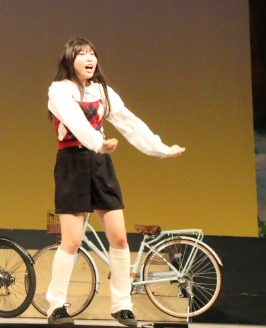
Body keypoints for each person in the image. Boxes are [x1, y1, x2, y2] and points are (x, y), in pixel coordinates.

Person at [45, 38, 185, 327]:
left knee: (119, 238)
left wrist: (160, 149)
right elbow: (75, 121)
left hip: (100, 165)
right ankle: (56, 305)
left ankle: (122, 305)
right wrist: (98, 142)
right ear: (70, 60)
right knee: (71, 240)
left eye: (92, 54)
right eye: (82, 54)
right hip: (72, 164)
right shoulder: (59, 90)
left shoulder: (102, 91)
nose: (89, 59)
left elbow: (128, 122)